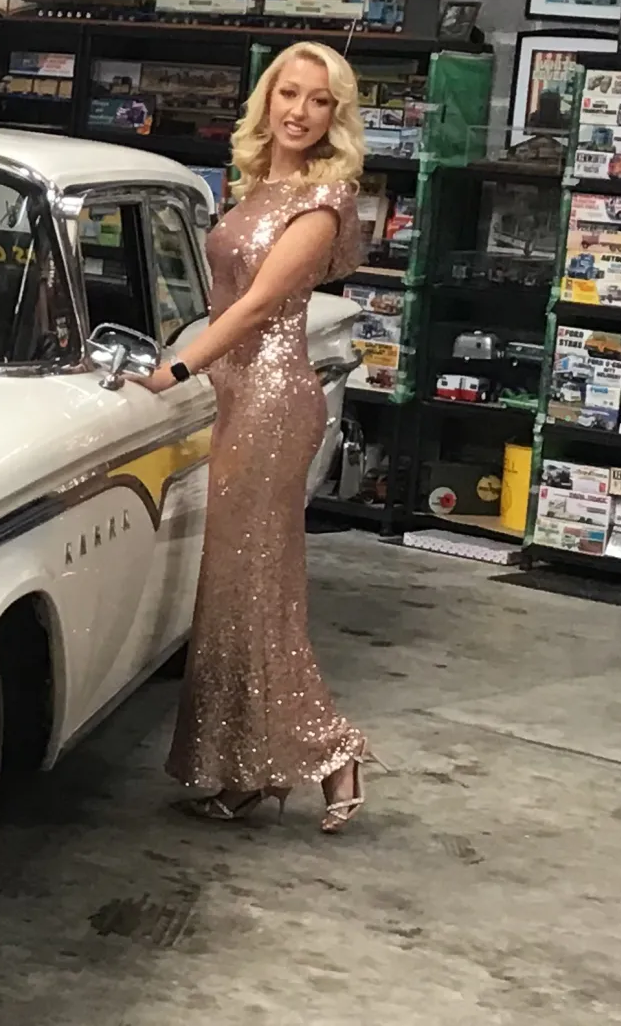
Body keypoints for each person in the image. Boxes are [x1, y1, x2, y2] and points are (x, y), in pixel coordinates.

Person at [132, 40, 384, 833]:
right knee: (229, 591)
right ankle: (241, 769)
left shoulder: (322, 200)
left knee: (258, 590)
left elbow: (252, 310)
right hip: (234, 392)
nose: (300, 112)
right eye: (289, 93)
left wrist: (172, 371)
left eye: (319, 101)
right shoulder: (257, 185)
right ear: (267, 98)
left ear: (335, 117)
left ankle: (332, 749)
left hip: (273, 401)